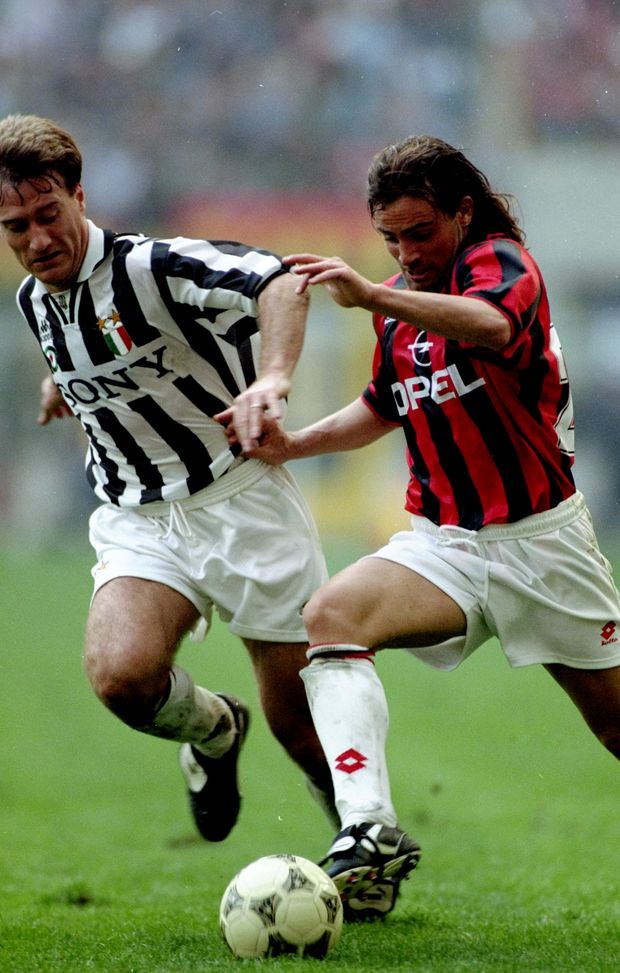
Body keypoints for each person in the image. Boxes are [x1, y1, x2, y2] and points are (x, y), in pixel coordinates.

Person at [231, 135, 620, 920]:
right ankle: (370, 831)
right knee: (329, 616)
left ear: (461, 213)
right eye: (390, 239)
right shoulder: (399, 318)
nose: (405, 253)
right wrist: (297, 443)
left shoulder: (502, 264)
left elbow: (491, 327)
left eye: (420, 232)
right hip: (443, 542)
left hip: (543, 545)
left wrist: (374, 295)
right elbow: (383, 405)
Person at [0, 112, 337, 845]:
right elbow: (94, 354)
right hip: (140, 518)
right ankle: (216, 731)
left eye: (47, 215)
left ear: (79, 194)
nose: (36, 240)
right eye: (15, 227)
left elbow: (280, 282)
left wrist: (273, 378)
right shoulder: (34, 301)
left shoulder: (153, 265)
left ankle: (362, 839)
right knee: (121, 676)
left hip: (239, 495)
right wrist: (66, 386)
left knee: (301, 727)